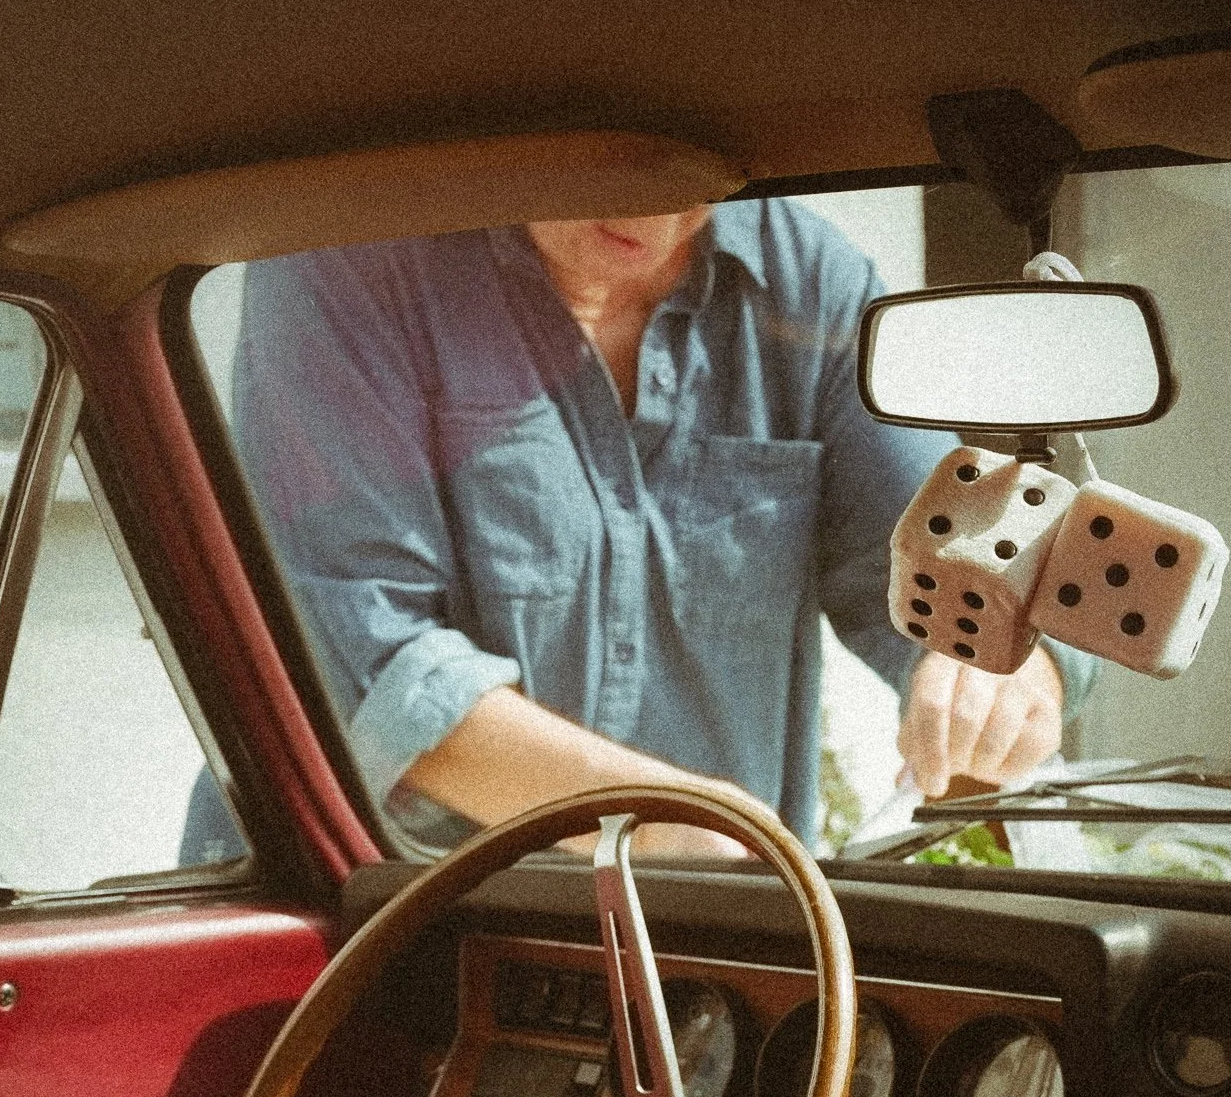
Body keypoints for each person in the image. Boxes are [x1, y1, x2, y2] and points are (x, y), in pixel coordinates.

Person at [220, 201, 1091, 860]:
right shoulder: (344, 264)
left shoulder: (814, 286)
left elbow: (959, 586)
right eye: (608, 164)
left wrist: (1003, 678)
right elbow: (357, 665)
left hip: (709, 941)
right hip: (368, 926)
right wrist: (675, 825)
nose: (650, 208)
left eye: (695, 171)